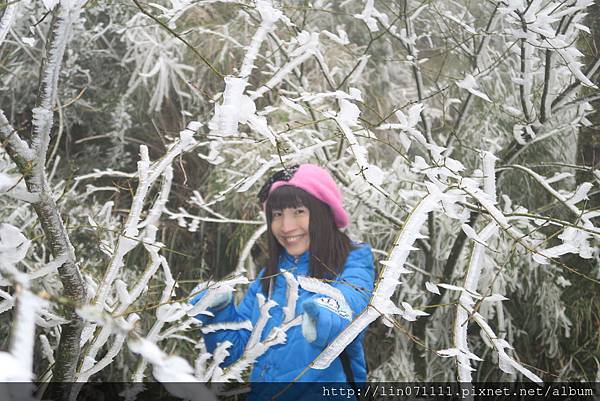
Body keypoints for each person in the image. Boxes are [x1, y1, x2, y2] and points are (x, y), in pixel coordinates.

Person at [190, 164, 375, 400]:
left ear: (323, 212)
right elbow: (234, 353)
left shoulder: (352, 262)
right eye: (277, 214)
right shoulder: (270, 275)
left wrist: (325, 313)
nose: (286, 227)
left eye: (298, 211)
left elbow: (350, 303)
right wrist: (218, 312)